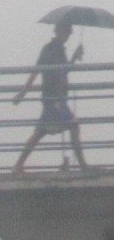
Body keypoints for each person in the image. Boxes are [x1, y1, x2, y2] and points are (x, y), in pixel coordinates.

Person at [12, 22, 88, 173]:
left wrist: (73, 57)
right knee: (71, 126)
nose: (68, 35)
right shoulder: (51, 50)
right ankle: (83, 166)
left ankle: (18, 164)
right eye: (66, 31)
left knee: (41, 131)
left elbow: (61, 72)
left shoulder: (57, 50)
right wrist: (22, 93)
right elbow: (40, 71)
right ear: (58, 31)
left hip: (55, 97)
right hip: (54, 98)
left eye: (69, 32)